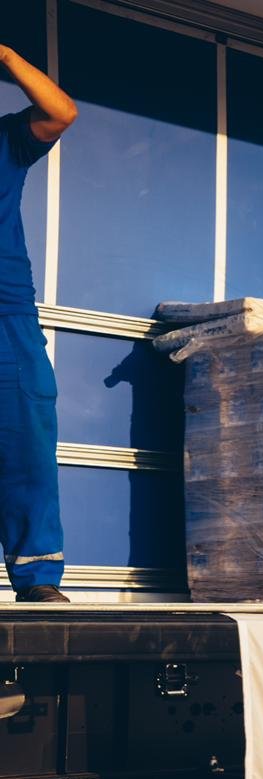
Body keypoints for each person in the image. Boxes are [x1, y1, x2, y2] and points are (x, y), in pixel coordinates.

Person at [0, 44, 75, 603]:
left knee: (27, 437)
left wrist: (5, 56)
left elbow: (61, 112)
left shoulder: (6, 138)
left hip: (7, 315)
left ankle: (36, 576)